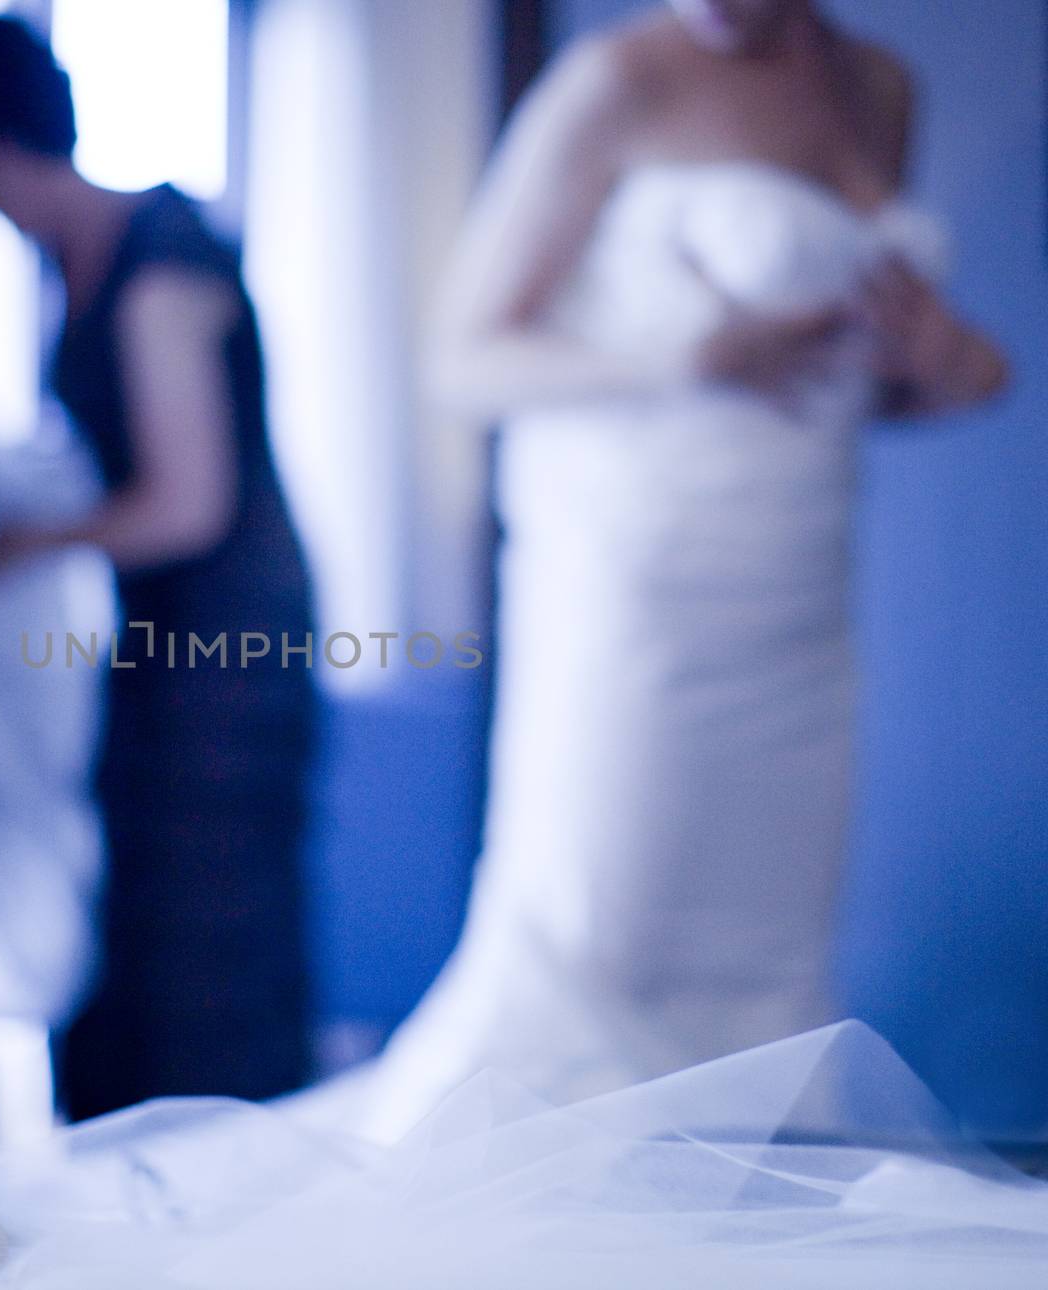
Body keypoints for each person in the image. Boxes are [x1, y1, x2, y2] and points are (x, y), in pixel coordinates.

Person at [350, 0, 1009, 1139]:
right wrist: (679, 355)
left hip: (797, 595)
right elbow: (461, 356)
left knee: (765, 943)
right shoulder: (611, 84)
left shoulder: (881, 90)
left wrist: (931, 362)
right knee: (606, 944)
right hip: (638, 588)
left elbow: (847, 378)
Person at [0, 16, 316, 1119]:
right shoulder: (72, 263)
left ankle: (223, 1219)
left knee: (204, 943)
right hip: (155, 640)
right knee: (128, 928)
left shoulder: (158, 263)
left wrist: (31, 541)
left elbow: (187, 505)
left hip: (228, 645)